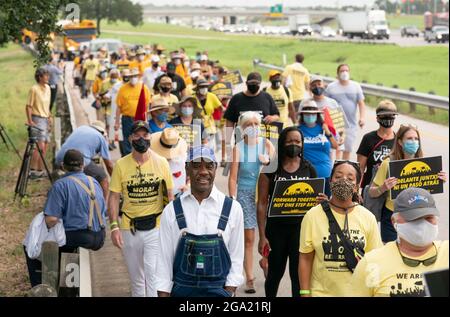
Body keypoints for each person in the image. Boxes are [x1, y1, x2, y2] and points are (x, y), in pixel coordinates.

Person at [155, 145, 245, 297]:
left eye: (209, 166)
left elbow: (236, 258)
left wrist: (229, 291)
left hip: (220, 292)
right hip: (182, 292)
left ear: (215, 168)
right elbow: (164, 262)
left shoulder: (232, 209)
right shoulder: (171, 210)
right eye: (196, 166)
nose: (203, 171)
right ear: (187, 169)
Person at [108, 120, 174, 297]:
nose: (141, 139)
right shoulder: (121, 165)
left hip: (156, 226)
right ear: (130, 138)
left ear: (150, 137)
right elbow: (113, 197)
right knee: (137, 279)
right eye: (137, 135)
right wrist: (114, 226)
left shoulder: (161, 163)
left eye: (145, 135)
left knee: (152, 276)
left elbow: (169, 196)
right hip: (130, 227)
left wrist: (170, 227)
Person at [299, 160, 383, 297]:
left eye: (350, 178)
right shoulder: (312, 216)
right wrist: (304, 293)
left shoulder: (368, 218)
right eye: (338, 176)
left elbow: (374, 261)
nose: (343, 180)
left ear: (356, 187)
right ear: (330, 181)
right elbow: (305, 258)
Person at [24, 149, 106, 287]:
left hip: (78, 237)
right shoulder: (94, 182)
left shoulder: (60, 185)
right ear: (83, 165)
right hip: (100, 236)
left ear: (63, 166)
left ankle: (41, 289)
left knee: (32, 247)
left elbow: (51, 220)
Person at [351, 187, 449, 297]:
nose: (422, 225)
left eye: (428, 218)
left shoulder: (446, 253)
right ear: (394, 221)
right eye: (414, 219)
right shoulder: (371, 263)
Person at [257, 127, 318, 297]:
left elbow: (315, 202)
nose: (294, 145)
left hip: (301, 231)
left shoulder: (309, 168)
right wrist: (262, 236)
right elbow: (261, 204)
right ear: (282, 143)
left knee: (297, 276)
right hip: (275, 231)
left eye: (297, 142)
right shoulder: (270, 169)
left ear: (302, 144)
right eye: (290, 141)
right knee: (274, 275)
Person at [368, 125, 447, 243]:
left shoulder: (425, 164)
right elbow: (371, 192)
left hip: (417, 215)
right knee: (392, 253)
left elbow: (427, 191)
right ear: (400, 142)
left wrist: (440, 181)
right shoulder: (388, 163)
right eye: (409, 139)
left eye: (416, 139)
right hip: (392, 216)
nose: (414, 142)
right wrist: (383, 187)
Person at [229, 111, 275, 294]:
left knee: (268, 235)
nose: (254, 128)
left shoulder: (267, 144)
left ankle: (265, 262)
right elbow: (233, 178)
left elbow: (277, 170)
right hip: (246, 194)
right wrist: (233, 199)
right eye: (249, 124)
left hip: (265, 195)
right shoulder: (238, 148)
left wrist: (269, 160)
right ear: (242, 128)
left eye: (256, 124)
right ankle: (249, 277)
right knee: (248, 239)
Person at [224, 72, 280, 162]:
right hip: (241, 142)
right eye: (251, 84)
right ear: (246, 83)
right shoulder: (236, 99)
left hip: (262, 143)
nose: (254, 85)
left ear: (260, 84)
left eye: (256, 84)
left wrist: (273, 117)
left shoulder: (266, 97)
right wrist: (227, 142)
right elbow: (229, 121)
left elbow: (277, 115)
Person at [55, 121, 113, 199]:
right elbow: (109, 165)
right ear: (102, 132)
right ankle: (104, 208)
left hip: (60, 159)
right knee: (103, 179)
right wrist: (115, 180)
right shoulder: (101, 137)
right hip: (78, 160)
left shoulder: (81, 128)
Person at [325, 64, 366, 160]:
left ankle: (344, 168)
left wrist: (362, 118)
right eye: (342, 71)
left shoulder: (356, 86)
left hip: (351, 124)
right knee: (336, 148)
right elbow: (325, 103)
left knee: (347, 149)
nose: (344, 73)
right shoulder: (331, 87)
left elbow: (361, 103)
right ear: (338, 73)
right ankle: (333, 169)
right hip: (336, 123)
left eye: (346, 70)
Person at [298, 100, 338, 198]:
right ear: (302, 115)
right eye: (307, 114)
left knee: (325, 206)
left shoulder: (324, 129)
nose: (310, 116)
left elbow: (335, 145)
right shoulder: (297, 130)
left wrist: (328, 131)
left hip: (326, 174)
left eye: (313, 114)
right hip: (306, 175)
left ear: (317, 115)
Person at [357, 100, 398, 192]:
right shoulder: (368, 138)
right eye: (384, 116)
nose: (388, 118)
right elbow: (360, 168)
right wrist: (356, 190)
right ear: (378, 118)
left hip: (392, 189)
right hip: (371, 188)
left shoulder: (398, 140)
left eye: (391, 115)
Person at [115, 68, 151, 156]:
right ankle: (127, 156)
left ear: (138, 77)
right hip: (127, 118)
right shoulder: (123, 89)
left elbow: (147, 105)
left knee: (140, 137)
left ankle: (140, 155)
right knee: (127, 138)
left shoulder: (144, 88)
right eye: (131, 76)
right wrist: (117, 122)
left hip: (140, 118)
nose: (133, 78)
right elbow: (119, 107)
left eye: (135, 76)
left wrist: (147, 119)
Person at [26, 67, 51, 179]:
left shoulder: (48, 88)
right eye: (45, 75)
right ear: (39, 77)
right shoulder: (34, 89)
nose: (48, 77)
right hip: (37, 118)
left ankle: (40, 170)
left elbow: (47, 105)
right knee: (39, 146)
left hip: (46, 119)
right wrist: (30, 121)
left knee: (45, 146)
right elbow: (28, 106)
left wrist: (50, 117)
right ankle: (32, 170)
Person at [150, 128, 189, 198]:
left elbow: (190, 176)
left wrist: (188, 185)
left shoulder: (183, 158)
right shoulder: (152, 159)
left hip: (179, 194)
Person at [194, 78, 222, 149]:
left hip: (209, 125)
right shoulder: (192, 98)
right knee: (197, 148)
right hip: (196, 125)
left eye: (205, 86)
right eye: (202, 87)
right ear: (197, 88)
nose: (204, 88)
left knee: (209, 147)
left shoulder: (212, 96)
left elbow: (221, 108)